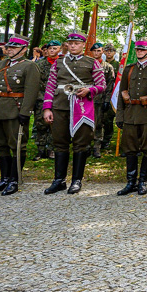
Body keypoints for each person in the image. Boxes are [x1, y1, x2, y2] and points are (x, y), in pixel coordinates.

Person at [42, 31, 107, 195]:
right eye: (70, 43)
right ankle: (59, 180)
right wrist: (47, 108)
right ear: (66, 45)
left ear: (83, 45)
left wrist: (90, 89)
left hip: (83, 108)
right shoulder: (58, 63)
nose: (73, 45)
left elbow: (101, 85)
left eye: (76, 43)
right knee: (59, 143)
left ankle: (77, 180)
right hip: (60, 107)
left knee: (81, 144)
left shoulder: (92, 62)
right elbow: (50, 87)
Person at [0, 36, 39, 196]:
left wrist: (25, 112)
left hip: (15, 110)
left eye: (14, 47)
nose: (9, 49)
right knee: (0, 145)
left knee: (16, 145)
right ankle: (4, 179)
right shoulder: (2, 64)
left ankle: (14, 180)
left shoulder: (29, 66)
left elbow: (31, 91)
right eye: (9, 47)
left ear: (24, 49)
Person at [115, 39, 147, 196]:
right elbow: (121, 92)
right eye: (137, 49)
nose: (139, 52)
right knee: (130, 149)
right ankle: (130, 182)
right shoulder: (129, 69)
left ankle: (142, 181)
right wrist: (120, 115)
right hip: (131, 114)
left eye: (143, 50)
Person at [33, 40, 61, 161]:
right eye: (50, 49)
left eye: (55, 48)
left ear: (59, 49)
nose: (52, 51)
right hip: (41, 98)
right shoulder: (39, 64)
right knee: (40, 124)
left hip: (58, 99)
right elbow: (34, 82)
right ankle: (40, 149)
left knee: (55, 125)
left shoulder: (63, 63)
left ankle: (51, 149)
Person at [90, 42, 115, 159]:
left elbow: (110, 85)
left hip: (100, 100)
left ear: (102, 52)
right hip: (87, 100)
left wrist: (107, 100)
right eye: (94, 51)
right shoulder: (86, 65)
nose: (96, 53)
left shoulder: (108, 67)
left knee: (98, 124)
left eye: (99, 51)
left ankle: (96, 147)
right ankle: (85, 146)